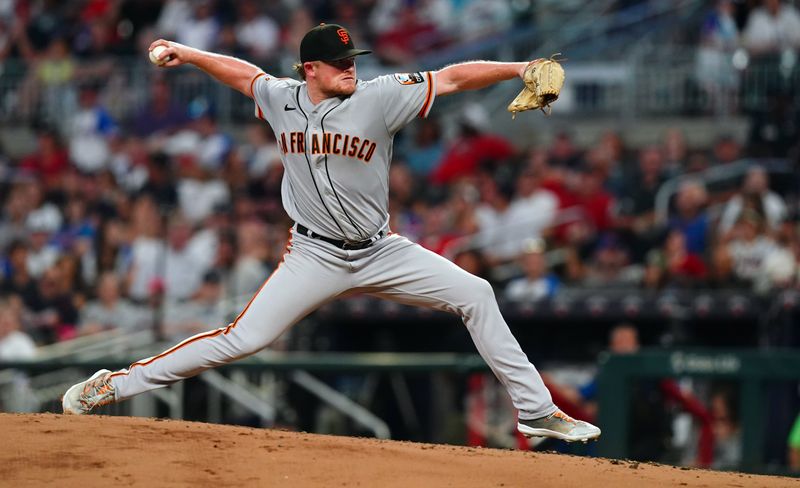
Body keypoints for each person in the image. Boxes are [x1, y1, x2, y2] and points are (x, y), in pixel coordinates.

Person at [62, 23, 600, 443]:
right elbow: (241, 73)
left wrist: (520, 68)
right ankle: (112, 385)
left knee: (476, 293)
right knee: (243, 339)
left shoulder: (380, 96)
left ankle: (537, 412)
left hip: (381, 250)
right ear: (310, 69)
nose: (350, 68)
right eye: (340, 62)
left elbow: (452, 77)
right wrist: (192, 53)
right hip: (313, 255)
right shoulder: (281, 97)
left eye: (353, 59)